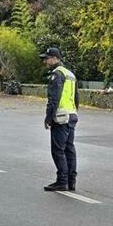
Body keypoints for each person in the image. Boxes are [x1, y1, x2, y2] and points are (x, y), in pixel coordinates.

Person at [39, 47, 79, 192]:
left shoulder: (56, 75)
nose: (45, 61)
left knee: (58, 150)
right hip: (72, 115)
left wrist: (48, 118)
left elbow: (54, 98)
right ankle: (71, 181)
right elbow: (76, 97)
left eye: (47, 58)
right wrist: (74, 112)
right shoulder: (70, 74)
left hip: (61, 117)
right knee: (69, 149)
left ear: (55, 58)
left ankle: (62, 181)